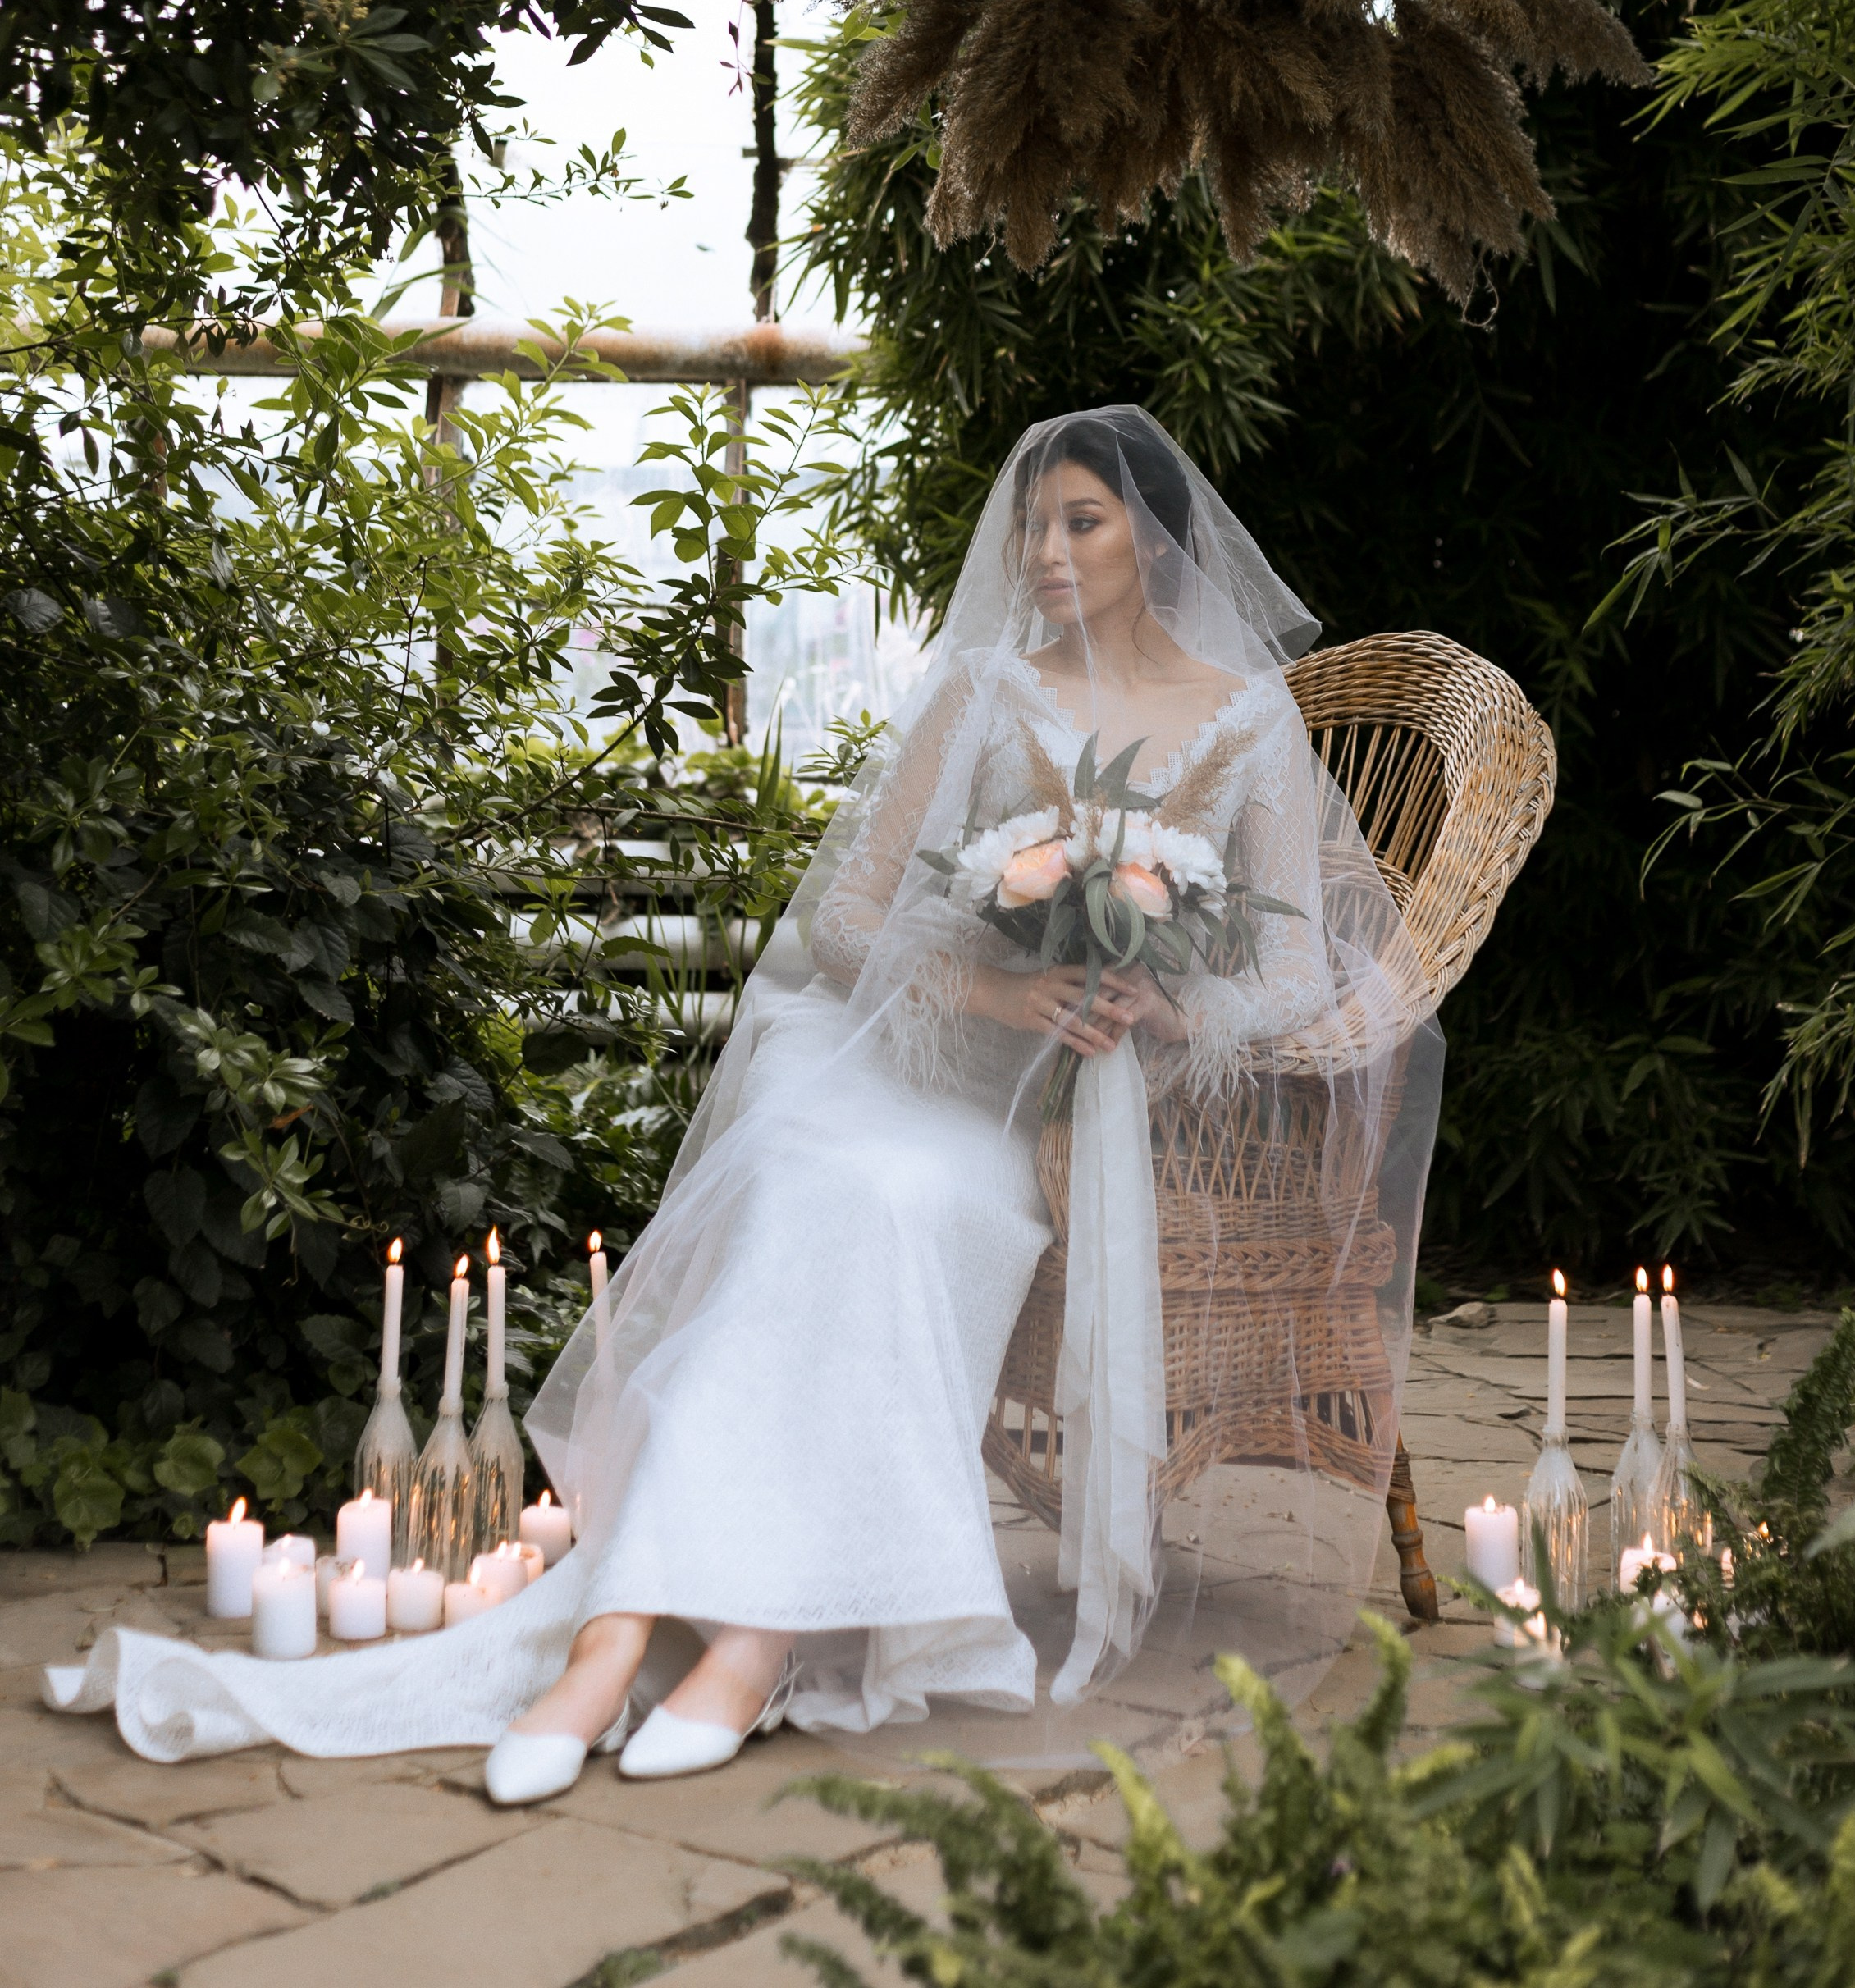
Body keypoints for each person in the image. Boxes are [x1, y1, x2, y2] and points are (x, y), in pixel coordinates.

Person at [45, 409, 1441, 1796]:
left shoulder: (1249, 720)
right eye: (1034, 525)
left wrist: (1167, 1006)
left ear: (1156, 535)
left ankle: (742, 1637)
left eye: (1081, 521)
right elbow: (847, 922)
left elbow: (1298, 974)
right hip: (913, 1063)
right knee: (811, 1180)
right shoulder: (987, 691)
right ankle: (617, 1633)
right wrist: (1001, 995)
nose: (1048, 551)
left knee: (893, 1209)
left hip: (1059, 1122)